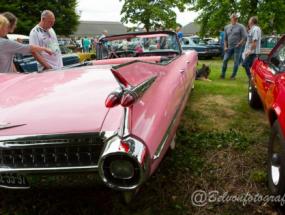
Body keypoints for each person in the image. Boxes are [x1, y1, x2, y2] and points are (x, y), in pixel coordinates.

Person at [220, 13, 247, 79]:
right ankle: (222, 75)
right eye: (234, 18)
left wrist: (239, 44)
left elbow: (245, 37)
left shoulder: (241, 26)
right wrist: (225, 47)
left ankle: (233, 76)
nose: (235, 19)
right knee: (225, 60)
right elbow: (225, 39)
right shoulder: (226, 27)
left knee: (236, 62)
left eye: (236, 18)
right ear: (231, 19)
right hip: (229, 47)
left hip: (238, 47)